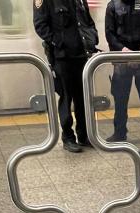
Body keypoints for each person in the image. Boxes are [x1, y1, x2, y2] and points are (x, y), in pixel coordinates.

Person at [34, 0, 98, 153]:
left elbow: (88, 22)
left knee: (82, 98)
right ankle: (68, 137)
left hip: (81, 55)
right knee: (66, 97)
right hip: (62, 57)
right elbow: (40, 25)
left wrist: (92, 39)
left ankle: (84, 135)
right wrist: (58, 42)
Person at [105, 0, 140, 155]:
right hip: (122, 58)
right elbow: (110, 33)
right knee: (120, 99)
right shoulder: (112, 5)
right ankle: (119, 133)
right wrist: (123, 50)